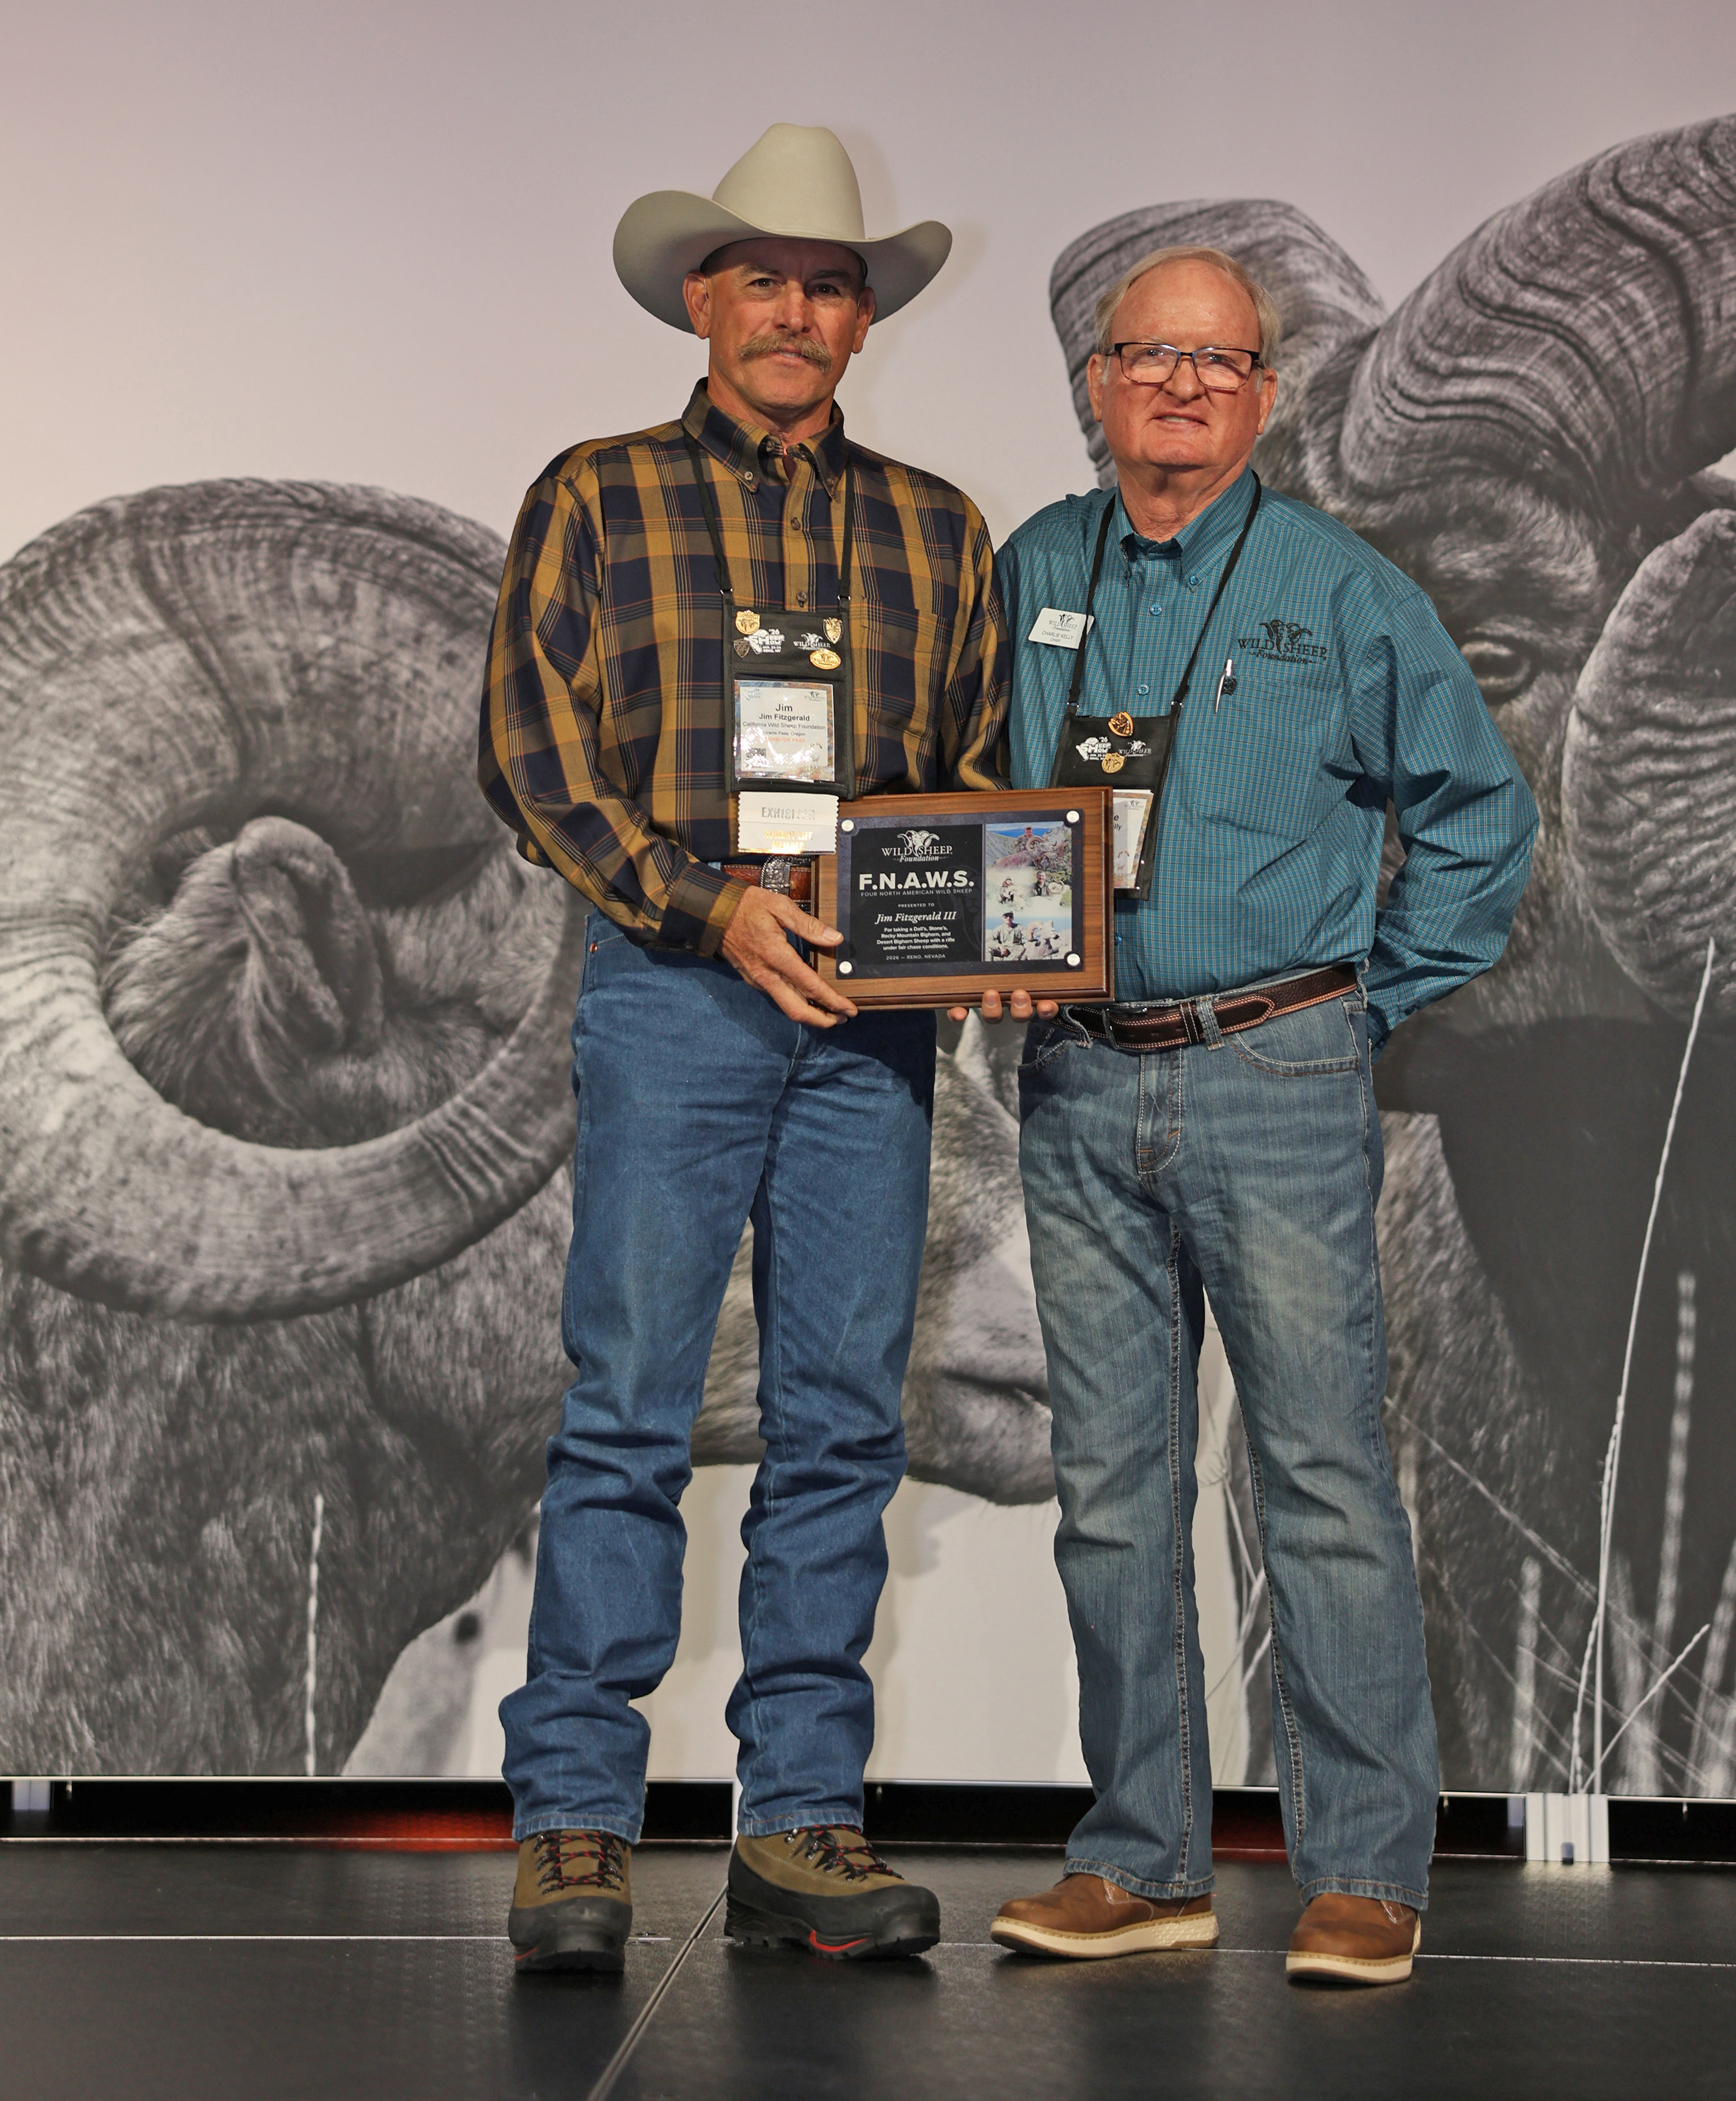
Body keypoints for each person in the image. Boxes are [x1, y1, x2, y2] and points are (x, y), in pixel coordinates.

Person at [478, 124, 1009, 1973]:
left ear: (865, 322)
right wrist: (714, 909)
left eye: (829, 286)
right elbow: (533, 757)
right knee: (630, 1408)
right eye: (764, 279)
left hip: (868, 1025)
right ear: (702, 301)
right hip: (675, 993)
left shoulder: (940, 529)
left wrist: (977, 929)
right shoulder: (596, 496)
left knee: (842, 1421)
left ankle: (800, 1820)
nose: (796, 311)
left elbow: (974, 782)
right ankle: (573, 1825)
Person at [985, 246, 1537, 1985]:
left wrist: (1363, 1004)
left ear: (1263, 396)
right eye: (1148, 355)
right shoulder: (1032, 569)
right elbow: (980, 802)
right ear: (1097, 381)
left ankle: (1365, 1869)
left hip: (1276, 1077)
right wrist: (980, 940)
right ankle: (1140, 1862)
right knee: (1110, 1493)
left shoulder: (1338, 588)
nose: (1180, 386)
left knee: (1318, 1477)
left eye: (1216, 363)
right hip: (1077, 1080)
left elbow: (1479, 816)